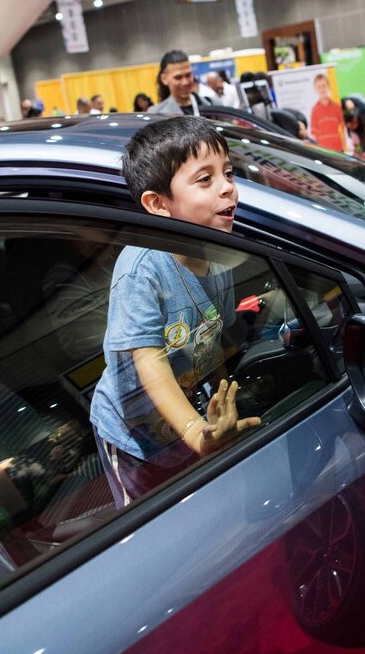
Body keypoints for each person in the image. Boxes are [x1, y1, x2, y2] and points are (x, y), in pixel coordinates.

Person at [90, 117, 258, 506]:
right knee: (145, 520)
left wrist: (220, 407)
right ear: (158, 204)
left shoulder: (216, 254)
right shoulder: (142, 269)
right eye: (205, 179)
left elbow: (214, 342)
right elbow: (149, 359)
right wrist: (196, 431)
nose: (227, 187)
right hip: (131, 434)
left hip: (182, 422)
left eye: (228, 173)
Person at [152, 50, 214, 116]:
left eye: (188, 75)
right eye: (178, 77)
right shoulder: (156, 114)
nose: (185, 82)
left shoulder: (213, 104)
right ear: (164, 79)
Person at [309, 72, 347, 153]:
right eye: (319, 87)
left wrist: (345, 146)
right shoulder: (314, 110)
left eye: (324, 86)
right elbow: (314, 135)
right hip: (323, 151)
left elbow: (343, 129)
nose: (322, 89)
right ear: (315, 89)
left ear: (328, 87)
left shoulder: (337, 107)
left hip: (339, 149)